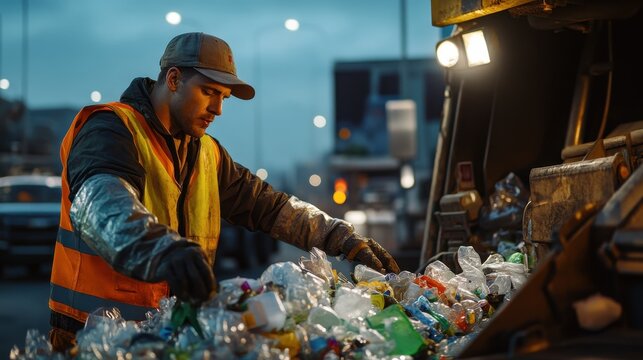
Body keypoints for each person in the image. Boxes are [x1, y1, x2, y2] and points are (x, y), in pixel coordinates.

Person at [48, 32, 399, 352]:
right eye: (209, 92)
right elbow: (102, 204)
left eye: (224, 97)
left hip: (167, 334)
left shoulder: (205, 153)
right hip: (93, 336)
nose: (218, 109)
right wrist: (163, 249)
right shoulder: (110, 129)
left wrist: (342, 238)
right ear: (173, 79)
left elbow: (269, 206)